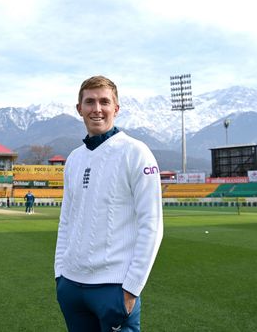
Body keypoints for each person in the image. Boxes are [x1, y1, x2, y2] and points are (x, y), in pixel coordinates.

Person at [54, 76, 163, 332]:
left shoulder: (136, 152)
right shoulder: (74, 159)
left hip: (113, 288)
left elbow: (152, 225)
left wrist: (131, 288)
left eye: (105, 101)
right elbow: (66, 220)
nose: (97, 108)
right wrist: (60, 274)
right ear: (79, 108)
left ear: (116, 108)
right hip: (71, 286)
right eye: (90, 101)